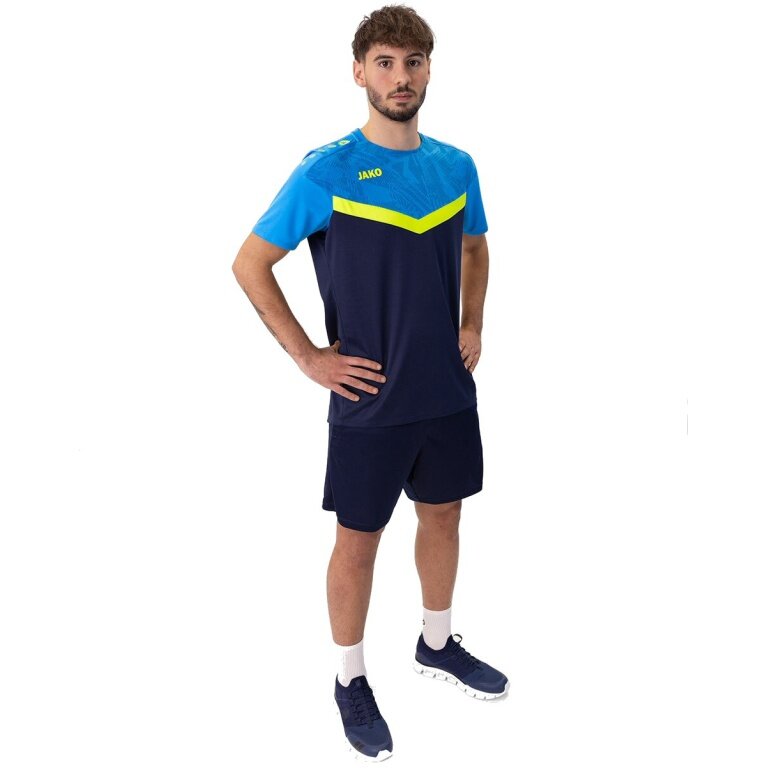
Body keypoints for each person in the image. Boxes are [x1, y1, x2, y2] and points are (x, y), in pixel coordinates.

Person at [232, 5, 507, 761]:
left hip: (446, 391)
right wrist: (308, 357)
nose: (400, 76)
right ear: (359, 72)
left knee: (444, 517)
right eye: (385, 62)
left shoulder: (456, 167)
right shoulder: (327, 170)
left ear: (429, 70)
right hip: (369, 397)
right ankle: (349, 679)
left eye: (413, 62)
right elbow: (250, 263)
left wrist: (473, 322)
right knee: (359, 542)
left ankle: (436, 643)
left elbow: (477, 248)